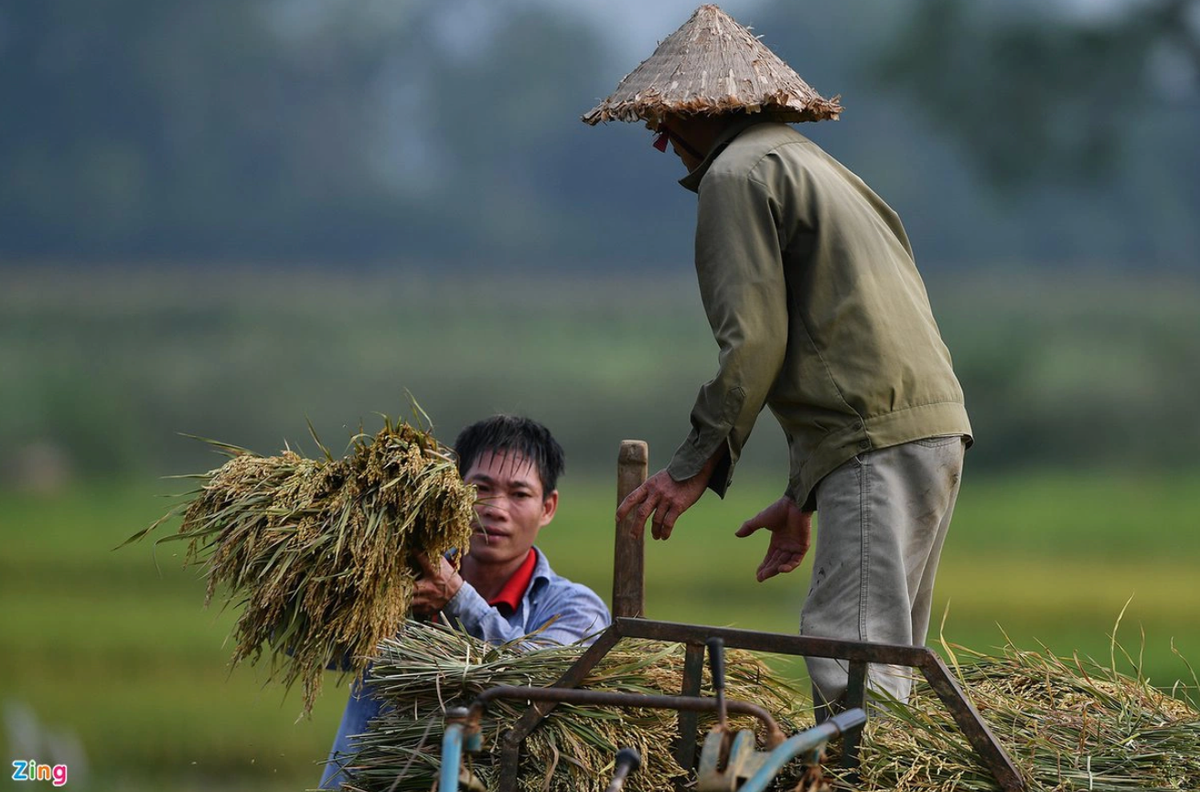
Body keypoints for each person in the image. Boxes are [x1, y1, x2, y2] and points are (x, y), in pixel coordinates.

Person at [586, 5, 972, 716]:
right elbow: (836, 341)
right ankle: (875, 761)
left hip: (875, 440)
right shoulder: (813, 164)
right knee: (888, 657)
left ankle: (855, 768)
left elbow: (755, 343)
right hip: (927, 430)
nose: (661, 143)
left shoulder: (736, 176)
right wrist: (802, 495)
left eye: (660, 124)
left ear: (693, 113)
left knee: (852, 662)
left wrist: (690, 467)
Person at [320, 415, 611, 789]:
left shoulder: (577, 609)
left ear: (548, 507)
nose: (495, 508)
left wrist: (457, 599)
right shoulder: (398, 581)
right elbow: (313, 647)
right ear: (453, 491)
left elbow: (540, 678)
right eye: (481, 488)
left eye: (519, 494)